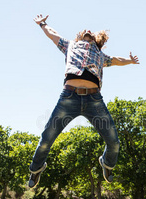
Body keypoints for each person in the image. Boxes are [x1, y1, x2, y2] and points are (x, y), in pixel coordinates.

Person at [28, 14, 139, 188]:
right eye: (85, 30)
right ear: (79, 36)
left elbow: (117, 61)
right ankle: (35, 170)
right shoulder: (69, 45)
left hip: (93, 100)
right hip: (69, 98)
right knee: (46, 138)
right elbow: (52, 34)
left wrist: (130, 61)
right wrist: (42, 24)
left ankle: (107, 164)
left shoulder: (100, 55)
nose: (88, 30)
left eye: (91, 31)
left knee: (114, 142)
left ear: (95, 39)